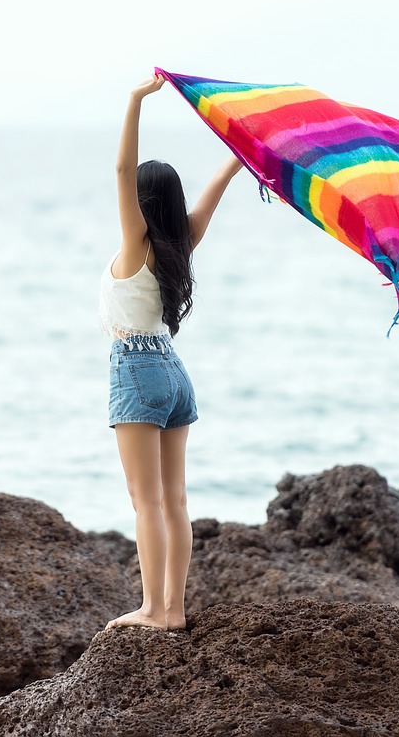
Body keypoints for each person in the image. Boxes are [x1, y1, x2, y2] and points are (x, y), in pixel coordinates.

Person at [98, 73, 245, 630]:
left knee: (146, 503)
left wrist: (134, 102)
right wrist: (238, 158)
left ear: (138, 203)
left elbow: (119, 169)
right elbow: (215, 190)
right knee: (175, 500)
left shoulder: (136, 247)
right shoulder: (180, 243)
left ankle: (153, 610)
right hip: (176, 374)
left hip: (137, 370)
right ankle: (175, 609)